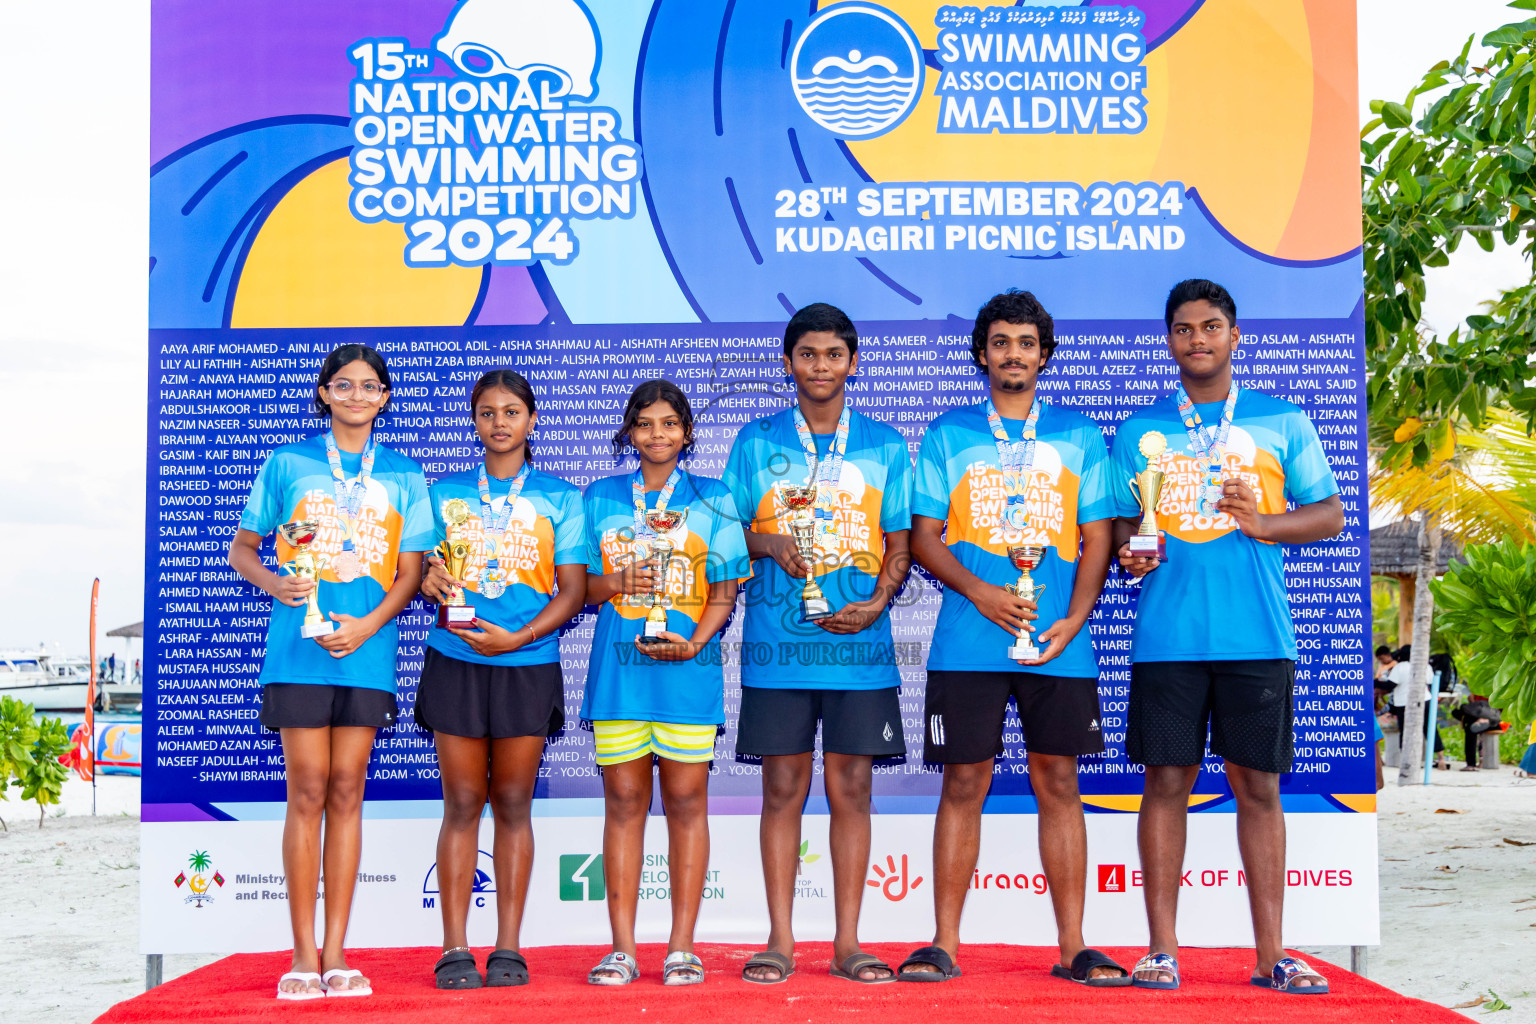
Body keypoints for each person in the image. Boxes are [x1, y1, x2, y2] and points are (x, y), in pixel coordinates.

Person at [1112, 280, 1344, 995]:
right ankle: (1160, 950)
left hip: (1258, 636)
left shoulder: (1283, 420)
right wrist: (1131, 548)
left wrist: (1265, 524)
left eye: (1211, 327)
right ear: (1170, 340)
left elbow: (1331, 515)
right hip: (1167, 638)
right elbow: (1124, 527)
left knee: (1259, 789)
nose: (1197, 340)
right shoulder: (1139, 431)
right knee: (1166, 785)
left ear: (1234, 335)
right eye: (1183, 329)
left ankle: (1272, 953)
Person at [899, 290, 1125, 985]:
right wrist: (981, 592)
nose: (1013, 354)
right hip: (970, 637)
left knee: (1059, 779)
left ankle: (1073, 946)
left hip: (1058, 639)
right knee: (964, 781)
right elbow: (924, 539)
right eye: (1001, 342)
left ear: (1044, 355)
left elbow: (1099, 540)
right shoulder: (946, 434)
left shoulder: (1082, 436)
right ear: (982, 355)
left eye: (1025, 343)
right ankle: (944, 943)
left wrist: (1077, 619)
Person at [227, 343, 432, 1000]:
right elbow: (242, 549)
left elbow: (411, 574)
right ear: (324, 394)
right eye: (343, 386)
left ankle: (338, 952)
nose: (356, 397)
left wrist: (369, 627)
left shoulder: (403, 473)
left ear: (384, 399)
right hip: (299, 650)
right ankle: (301, 956)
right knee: (307, 789)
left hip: (366, 652)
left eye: (369, 387)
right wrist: (273, 583)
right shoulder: (288, 463)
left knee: (348, 790)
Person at [726, 303, 914, 985]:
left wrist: (878, 602)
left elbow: (901, 543)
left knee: (852, 789)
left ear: (852, 362)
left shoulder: (886, 444)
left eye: (834, 354)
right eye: (807, 354)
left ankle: (847, 941)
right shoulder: (755, 440)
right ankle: (780, 939)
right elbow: (728, 533)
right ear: (788, 363)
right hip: (778, 643)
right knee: (782, 787)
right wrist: (768, 541)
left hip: (860, 644)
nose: (821, 366)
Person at [416, 370, 587, 989]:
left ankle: (509, 947)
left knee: (513, 802)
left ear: (531, 420)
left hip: (526, 664)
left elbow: (571, 593)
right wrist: (428, 581)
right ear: (475, 421)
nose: (499, 423)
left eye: (511, 412)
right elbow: (419, 571)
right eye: (486, 413)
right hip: (456, 660)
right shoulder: (442, 494)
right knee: (462, 802)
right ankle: (454, 946)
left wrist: (519, 637)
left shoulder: (561, 498)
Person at [580, 380, 748, 986]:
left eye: (669, 424)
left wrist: (698, 642)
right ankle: (621, 948)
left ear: (687, 432)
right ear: (628, 432)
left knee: (685, 804)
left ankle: (682, 947)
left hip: (689, 674)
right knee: (623, 805)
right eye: (645, 424)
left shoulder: (715, 498)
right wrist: (617, 581)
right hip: (620, 679)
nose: (657, 435)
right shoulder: (598, 498)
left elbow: (726, 588)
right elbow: (576, 589)